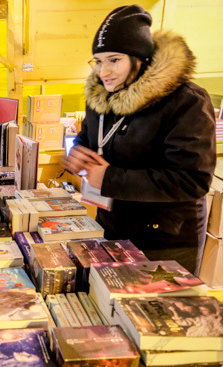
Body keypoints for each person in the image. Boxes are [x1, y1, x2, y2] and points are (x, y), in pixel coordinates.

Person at [63, 5, 216, 274]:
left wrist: (109, 179)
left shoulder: (185, 100)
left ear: (140, 58)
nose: (104, 72)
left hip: (165, 240)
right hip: (112, 225)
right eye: (98, 61)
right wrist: (79, 152)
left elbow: (192, 181)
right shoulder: (101, 96)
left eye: (114, 59)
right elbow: (89, 138)